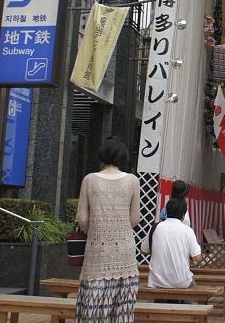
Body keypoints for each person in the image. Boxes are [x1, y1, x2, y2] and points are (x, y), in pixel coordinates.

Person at [75, 137, 140, 323]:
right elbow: (135, 219)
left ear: (102, 155)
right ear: (123, 156)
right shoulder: (132, 181)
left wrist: (96, 232)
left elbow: (82, 218)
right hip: (125, 256)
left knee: (91, 308)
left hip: (96, 254)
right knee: (122, 312)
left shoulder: (89, 180)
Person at [147, 198, 203, 289]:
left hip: (156, 282)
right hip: (181, 282)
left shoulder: (155, 228)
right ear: (183, 215)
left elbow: (144, 250)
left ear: (166, 211)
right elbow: (197, 258)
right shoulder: (188, 230)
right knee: (191, 283)